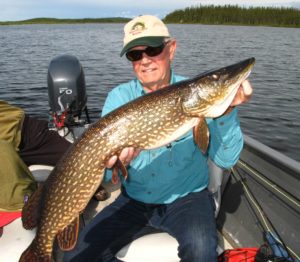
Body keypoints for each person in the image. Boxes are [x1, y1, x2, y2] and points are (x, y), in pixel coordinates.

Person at [64, 15, 253, 262]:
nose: (145, 61)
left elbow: (226, 160)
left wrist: (227, 111)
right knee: (76, 257)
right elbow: (107, 168)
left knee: (201, 252)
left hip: (187, 199)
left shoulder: (194, 96)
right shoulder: (119, 99)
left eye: (153, 50)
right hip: (134, 200)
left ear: (171, 49)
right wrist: (116, 164)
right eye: (135, 55)